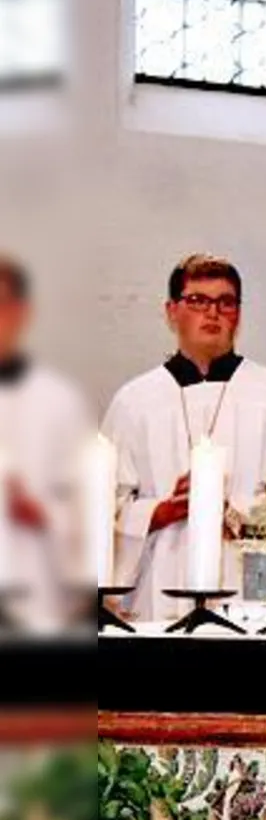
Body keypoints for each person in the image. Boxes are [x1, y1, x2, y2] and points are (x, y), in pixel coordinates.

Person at [103, 255, 266, 620]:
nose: (213, 313)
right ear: (172, 311)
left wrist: (235, 512)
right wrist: (161, 511)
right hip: (158, 585)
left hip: (250, 592)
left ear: (238, 314)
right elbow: (106, 507)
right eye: (198, 300)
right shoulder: (135, 401)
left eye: (225, 302)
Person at [0, 255, 94, 629]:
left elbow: (85, 507)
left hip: (36, 591)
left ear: (22, 312)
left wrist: (42, 512)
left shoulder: (60, 401)